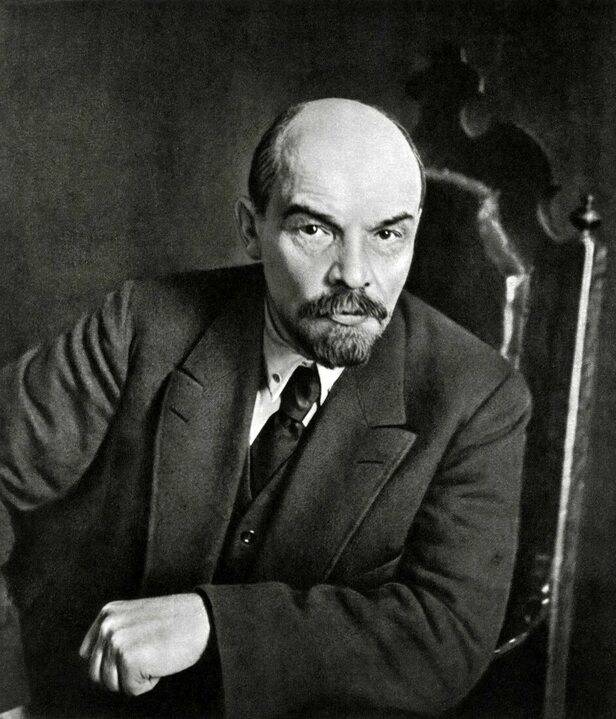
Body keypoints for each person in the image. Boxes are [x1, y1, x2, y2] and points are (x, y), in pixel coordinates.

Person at [0, 98, 531, 719]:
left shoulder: (478, 397)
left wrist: (211, 624)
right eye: (315, 230)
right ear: (251, 229)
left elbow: (442, 637)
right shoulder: (140, 324)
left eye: (388, 235)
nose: (354, 275)